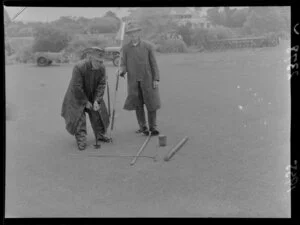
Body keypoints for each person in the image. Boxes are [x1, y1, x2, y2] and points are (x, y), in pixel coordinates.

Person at [61, 48, 111, 150]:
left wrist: (97, 100)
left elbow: (101, 85)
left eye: (101, 61)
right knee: (79, 117)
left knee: (98, 113)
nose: (99, 63)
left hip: (92, 95)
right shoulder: (79, 67)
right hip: (76, 95)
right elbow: (77, 87)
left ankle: (100, 135)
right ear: (90, 58)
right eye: (97, 61)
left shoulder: (102, 68)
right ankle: (81, 139)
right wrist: (85, 101)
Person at [119, 22, 161, 136]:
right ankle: (143, 127)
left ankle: (153, 127)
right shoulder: (126, 49)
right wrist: (122, 71)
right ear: (128, 35)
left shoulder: (148, 46)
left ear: (138, 33)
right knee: (138, 105)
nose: (133, 35)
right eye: (131, 34)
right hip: (133, 82)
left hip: (148, 79)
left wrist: (156, 79)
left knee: (151, 103)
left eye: (135, 33)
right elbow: (123, 64)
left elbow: (154, 64)